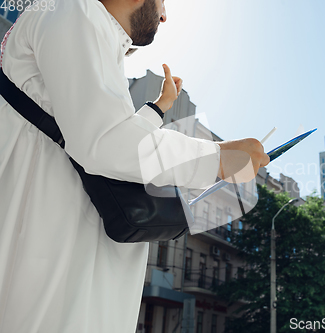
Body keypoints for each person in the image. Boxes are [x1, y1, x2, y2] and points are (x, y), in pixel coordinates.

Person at [0, 0, 270, 331]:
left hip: (64, 256)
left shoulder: (75, 19)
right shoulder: (73, 10)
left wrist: (159, 108)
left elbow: (96, 134)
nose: (164, 15)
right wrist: (218, 157)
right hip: (51, 258)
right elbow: (105, 141)